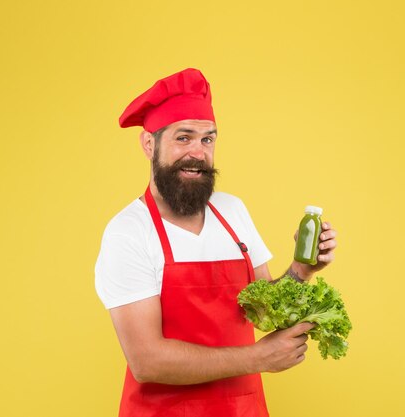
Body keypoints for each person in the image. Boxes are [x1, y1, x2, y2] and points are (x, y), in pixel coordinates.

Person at [95, 68, 338, 417]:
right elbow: (147, 361)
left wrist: (303, 269)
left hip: (243, 410)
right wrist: (258, 357)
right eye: (184, 138)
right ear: (149, 144)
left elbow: (263, 312)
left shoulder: (232, 211)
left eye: (208, 139)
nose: (198, 152)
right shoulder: (129, 232)